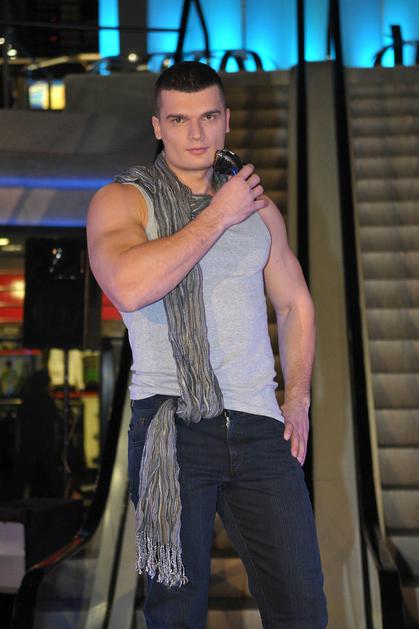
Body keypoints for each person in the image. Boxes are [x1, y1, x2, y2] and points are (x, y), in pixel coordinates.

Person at [87, 61, 328, 628]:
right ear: (157, 127)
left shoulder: (257, 208)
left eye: (208, 117)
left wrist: (297, 398)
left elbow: (296, 304)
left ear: (226, 121)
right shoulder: (123, 201)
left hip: (258, 426)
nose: (196, 134)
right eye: (179, 120)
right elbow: (129, 285)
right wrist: (217, 217)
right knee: (176, 612)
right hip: (171, 425)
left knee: (302, 607)